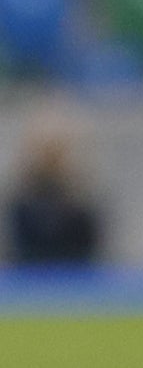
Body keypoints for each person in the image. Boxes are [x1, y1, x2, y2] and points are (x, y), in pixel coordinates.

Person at [5, 107, 106, 269]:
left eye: (57, 147)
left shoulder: (82, 205)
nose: (50, 155)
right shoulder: (21, 206)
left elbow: (92, 253)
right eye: (45, 147)